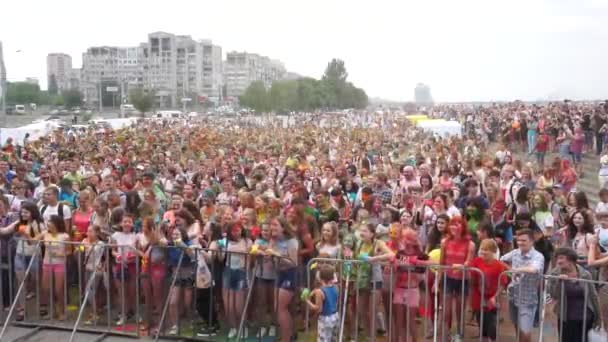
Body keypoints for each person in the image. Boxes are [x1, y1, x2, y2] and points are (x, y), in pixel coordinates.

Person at [547, 247, 601, 342]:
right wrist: (559, 282)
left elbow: (593, 296)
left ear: (571, 260)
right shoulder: (555, 273)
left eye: (561, 258)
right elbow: (553, 295)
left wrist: (598, 317)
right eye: (557, 258)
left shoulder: (586, 274)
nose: (558, 261)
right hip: (566, 318)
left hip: (586, 317)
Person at [500, 229, 545, 342]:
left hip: (528, 299)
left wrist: (516, 270)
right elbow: (501, 260)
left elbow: (534, 269)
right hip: (513, 295)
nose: (520, 243)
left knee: (525, 331)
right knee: (516, 326)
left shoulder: (538, 256)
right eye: (518, 240)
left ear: (531, 241)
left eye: (523, 240)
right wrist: (510, 270)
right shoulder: (515, 252)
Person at [469, 239, 508, 342]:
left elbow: (503, 283)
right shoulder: (476, 261)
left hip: (492, 298)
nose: (483, 252)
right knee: (481, 324)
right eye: (482, 249)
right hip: (478, 297)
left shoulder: (499, 265)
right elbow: (472, 279)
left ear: (493, 252)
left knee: (491, 325)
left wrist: (495, 297)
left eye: (486, 250)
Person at [303, 264, 340, 342]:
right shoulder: (336, 287)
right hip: (335, 316)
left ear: (319, 277)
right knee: (333, 339)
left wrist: (307, 301)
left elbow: (318, 309)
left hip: (325, 319)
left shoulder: (320, 292)